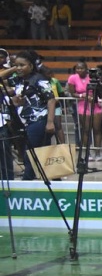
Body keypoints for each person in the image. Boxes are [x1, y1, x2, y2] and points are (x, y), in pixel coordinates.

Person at [8, 50, 57, 179]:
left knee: (30, 155)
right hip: (25, 123)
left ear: (31, 65)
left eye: (22, 65)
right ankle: (54, 180)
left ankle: (26, 183)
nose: (18, 68)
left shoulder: (39, 79)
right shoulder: (18, 80)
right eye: (16, 65)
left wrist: (50, 122)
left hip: (39, 121)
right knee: (40, 155)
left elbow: (51, 99)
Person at [66, 62, 102, 156]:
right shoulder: (72, 78)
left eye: (82, 68)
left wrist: (95, 97)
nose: (79, 70)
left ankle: (97, 153)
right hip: (83, 104)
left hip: (95, 104)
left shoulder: (93, 77)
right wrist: (82, 95)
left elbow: (100, 91)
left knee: (97, 129)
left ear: (86, 69)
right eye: (77, 69)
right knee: (86, 129)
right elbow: (72, 93)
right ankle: (88, 153)